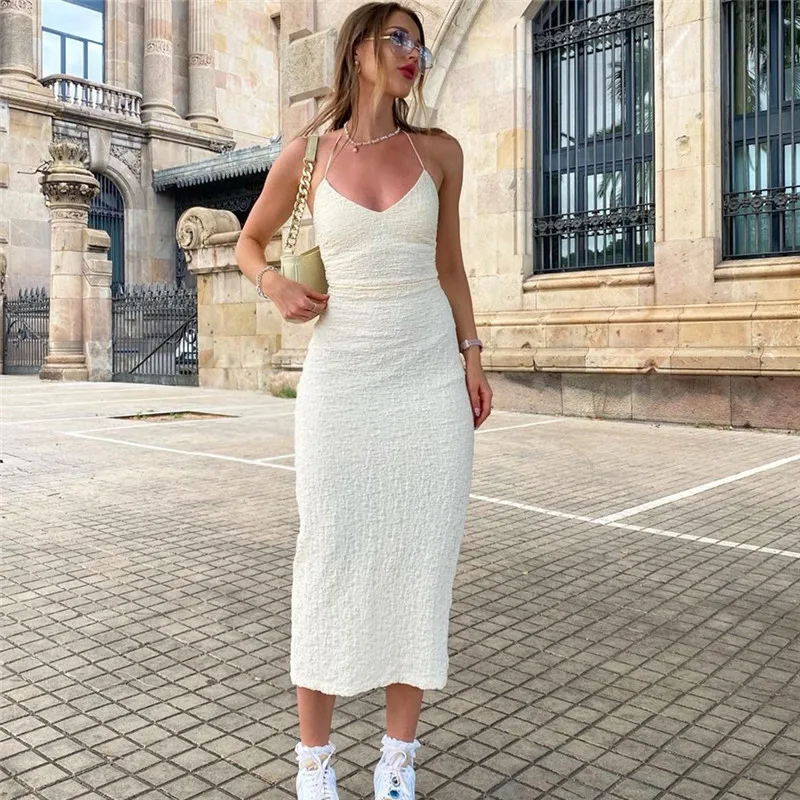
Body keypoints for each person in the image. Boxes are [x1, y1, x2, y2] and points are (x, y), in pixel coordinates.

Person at [235, 3, 493, 798]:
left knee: (421, 561)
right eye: (399, 38)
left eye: (421, 43)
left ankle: (396, 762)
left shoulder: (440, 152)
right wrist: (273, 283)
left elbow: (450, 267)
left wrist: (473, 354)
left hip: (428, 382)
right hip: (342, 383)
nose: (414, 53)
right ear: (359, 51)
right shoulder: (307, 154)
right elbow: (247, 242)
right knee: (328, 556)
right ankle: (314, 763)